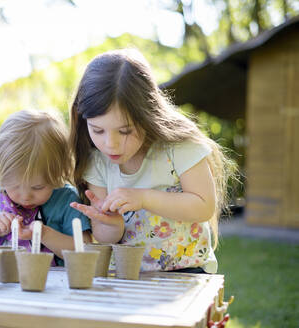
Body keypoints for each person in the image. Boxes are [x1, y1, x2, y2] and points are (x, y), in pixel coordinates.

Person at [69, 49, 238, 273]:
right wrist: (110, 223)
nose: (111, 144)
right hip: (127, 274)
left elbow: (204, 205)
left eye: (125, 131)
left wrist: (144, 198)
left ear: (148, 115)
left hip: (187, 271)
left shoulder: (179, 146)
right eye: (98, 130)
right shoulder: (97, 162)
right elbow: (105, 236)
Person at [0, 109, 91, 266]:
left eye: (37, 187)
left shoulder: (66, 200)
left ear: (58, 173)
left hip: (53, 287)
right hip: (0, 286)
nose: (25, 196)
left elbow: (86, 249)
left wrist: (44, 234)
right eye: (14, 186)